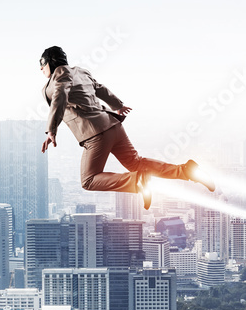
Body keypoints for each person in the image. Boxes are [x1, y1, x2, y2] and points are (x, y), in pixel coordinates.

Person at [38, 45, 214, 209]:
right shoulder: (81, 71)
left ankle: (137, 182)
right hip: (113, 125)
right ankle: (187, 171)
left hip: (96, 134)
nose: (40, 69)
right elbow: (99, 88)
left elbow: (59, 96)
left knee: (89, 180)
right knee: (136, 162)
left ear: (51, 62)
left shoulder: (59, 75)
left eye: (42, 64)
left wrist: (52, 130)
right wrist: (118, 105)